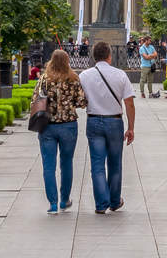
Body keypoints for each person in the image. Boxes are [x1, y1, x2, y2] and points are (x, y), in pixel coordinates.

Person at [80, 40, 135, 214]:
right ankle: (114, 201)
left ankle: (101, 204)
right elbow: (129, 103)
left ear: (94, 56)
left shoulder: (84, 75)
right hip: (114, 121)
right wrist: (131, 127)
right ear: (110, 56)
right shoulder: (120, 75)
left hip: (94, 120)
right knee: (115, 163)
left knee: (97, 164)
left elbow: (79, 100)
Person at [33, 48, 87, 214]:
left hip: (47, 125)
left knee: (48, 166)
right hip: (68, 125)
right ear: (67, 61)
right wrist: (68, 104)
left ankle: (53, 203)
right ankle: (65, 200)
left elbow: (35, 99)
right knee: (66, 163)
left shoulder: (44, 79)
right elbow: (82, 101)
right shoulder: (73, 79)